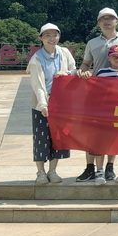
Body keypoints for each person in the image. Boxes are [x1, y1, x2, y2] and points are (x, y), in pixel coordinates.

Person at [77, 7, 118, 183]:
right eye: (103, 19)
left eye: (110, 18)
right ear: (98, 23)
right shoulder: (92, 43)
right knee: (94, 133)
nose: (107, 21)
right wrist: (81, 71)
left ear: (116, 21)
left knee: (116, 131)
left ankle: (110, 167)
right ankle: (91, 168)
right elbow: (86, 63)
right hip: (98, 95)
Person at [26, 23, 75, 184]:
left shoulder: (64, 53)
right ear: (41, 38)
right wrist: (43, 105)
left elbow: (74, 70)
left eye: (55, 35)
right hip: (42, 101)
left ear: (59, 37)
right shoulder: (36, 58)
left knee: (58, 137)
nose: (51, 38)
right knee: (41, 136)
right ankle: (40, 172)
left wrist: (66, 72)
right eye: (47, 35)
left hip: (61, 102)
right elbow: (37, 85)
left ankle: (52, 170)